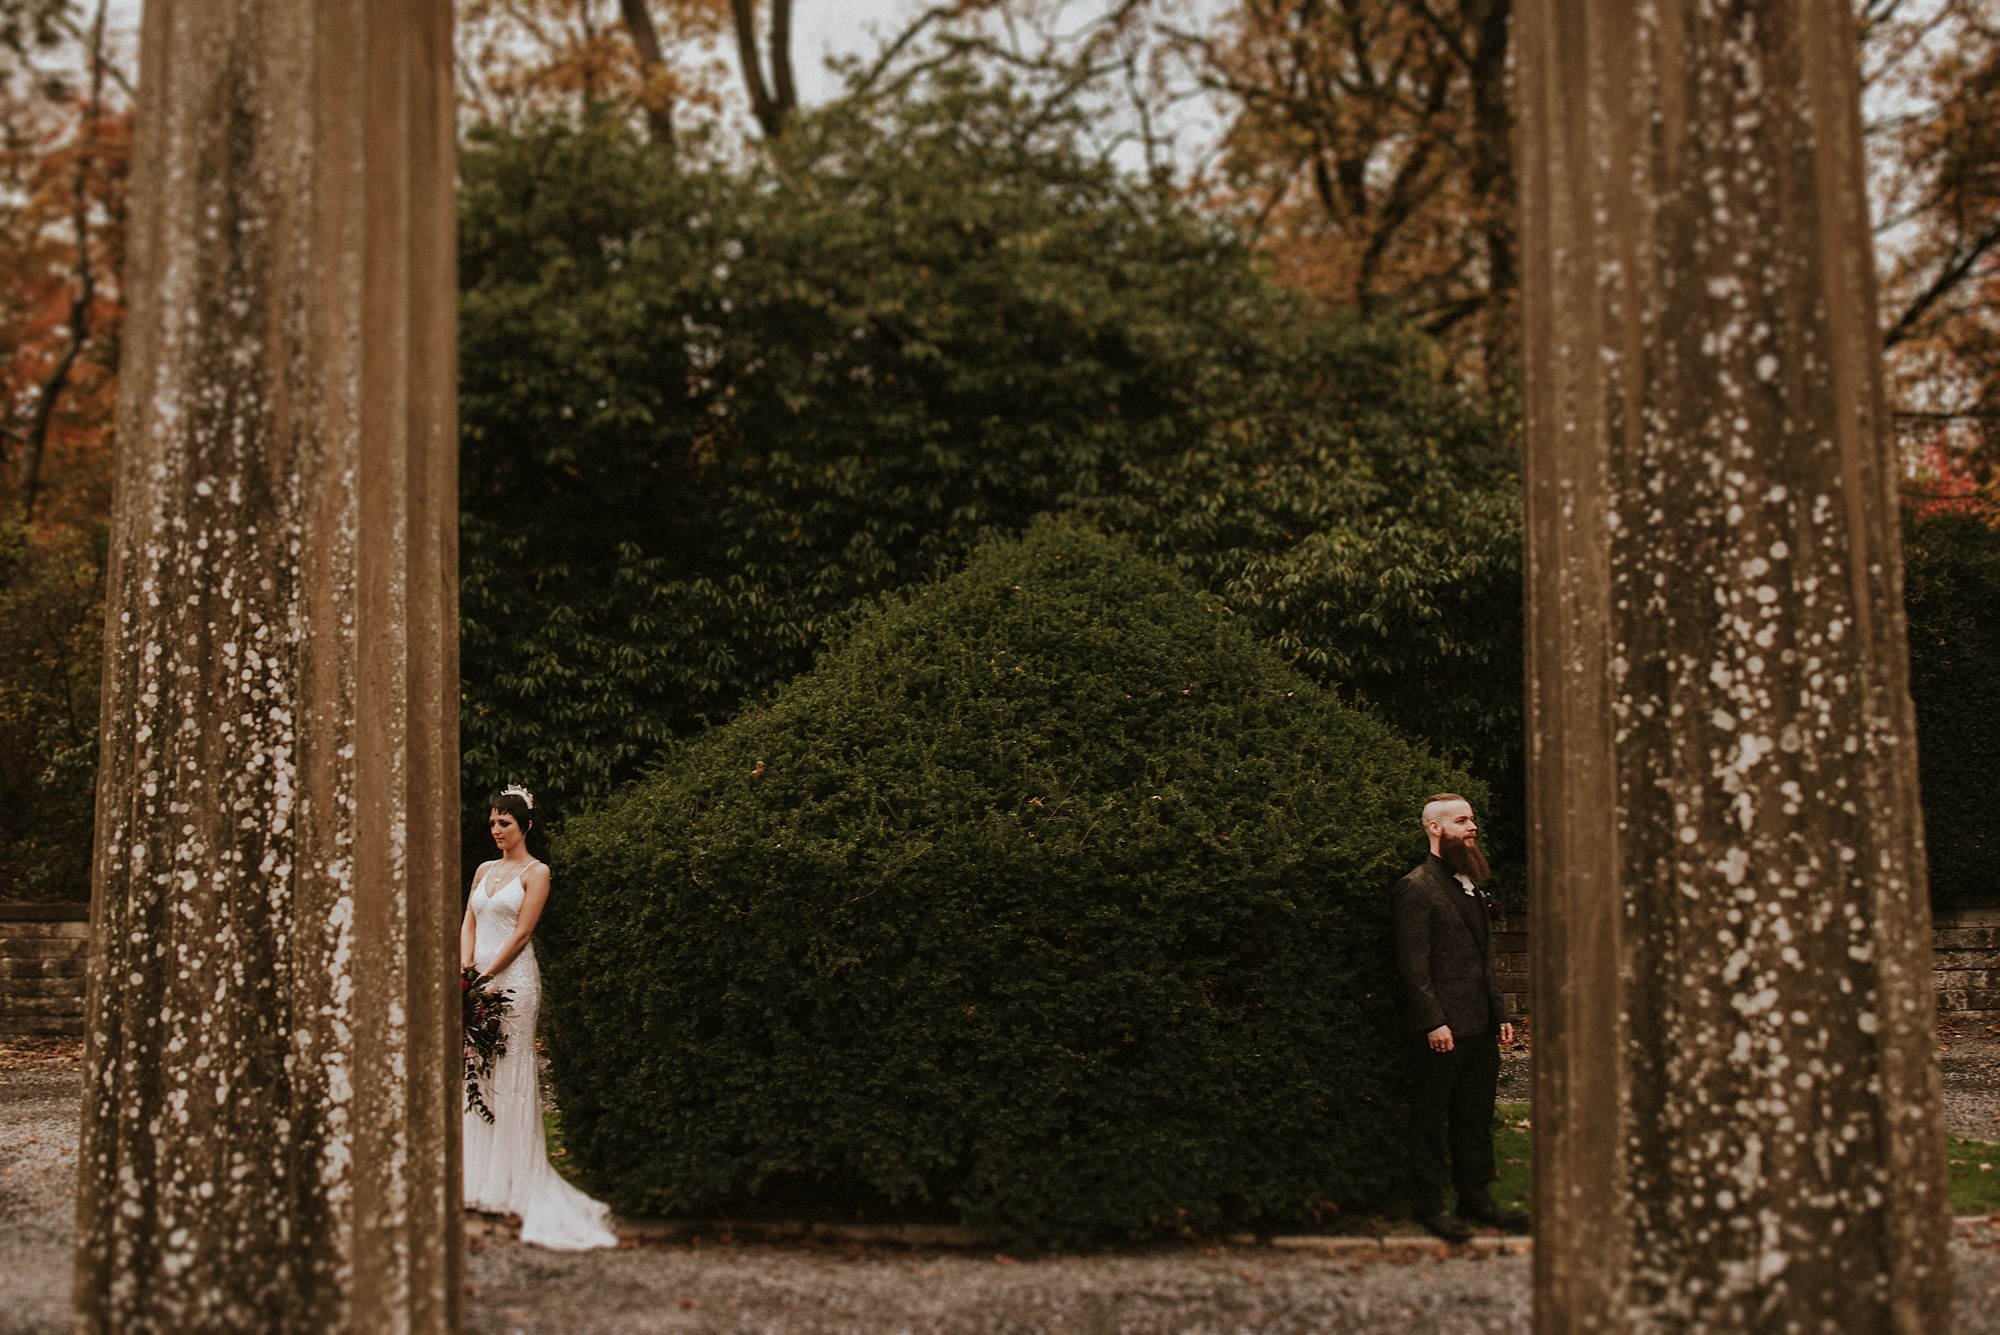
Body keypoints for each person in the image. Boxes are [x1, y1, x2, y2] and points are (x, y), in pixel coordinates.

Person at [460, 783, 618, 1250]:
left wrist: (487, 975)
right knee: (475, 1067)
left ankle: (515, 1177)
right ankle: (475, 1175)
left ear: (524, 826)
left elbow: (524, 932)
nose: (496, 830)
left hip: (513, 981)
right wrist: (465, 971)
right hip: (477, 975)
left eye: (504, 823)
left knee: (508, 1068)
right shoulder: (483, 869)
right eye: (492, 823)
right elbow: (468, 919)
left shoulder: (537, 872)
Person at [1390, 792, 1528, 1243]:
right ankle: (1430, 1205)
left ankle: (1476, 1199)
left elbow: (1482, 958)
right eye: (1461, 820)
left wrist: (1500, 1012)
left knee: (1475, 1117)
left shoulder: (1471, 883)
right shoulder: (1416, 887)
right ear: (1435, 828)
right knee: (1431, 1119)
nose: (1472, 827)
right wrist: (1433, 1021)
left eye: (1472, 819)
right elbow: (1415, 965)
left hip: (1480, 1025)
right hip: (1443, 1029)